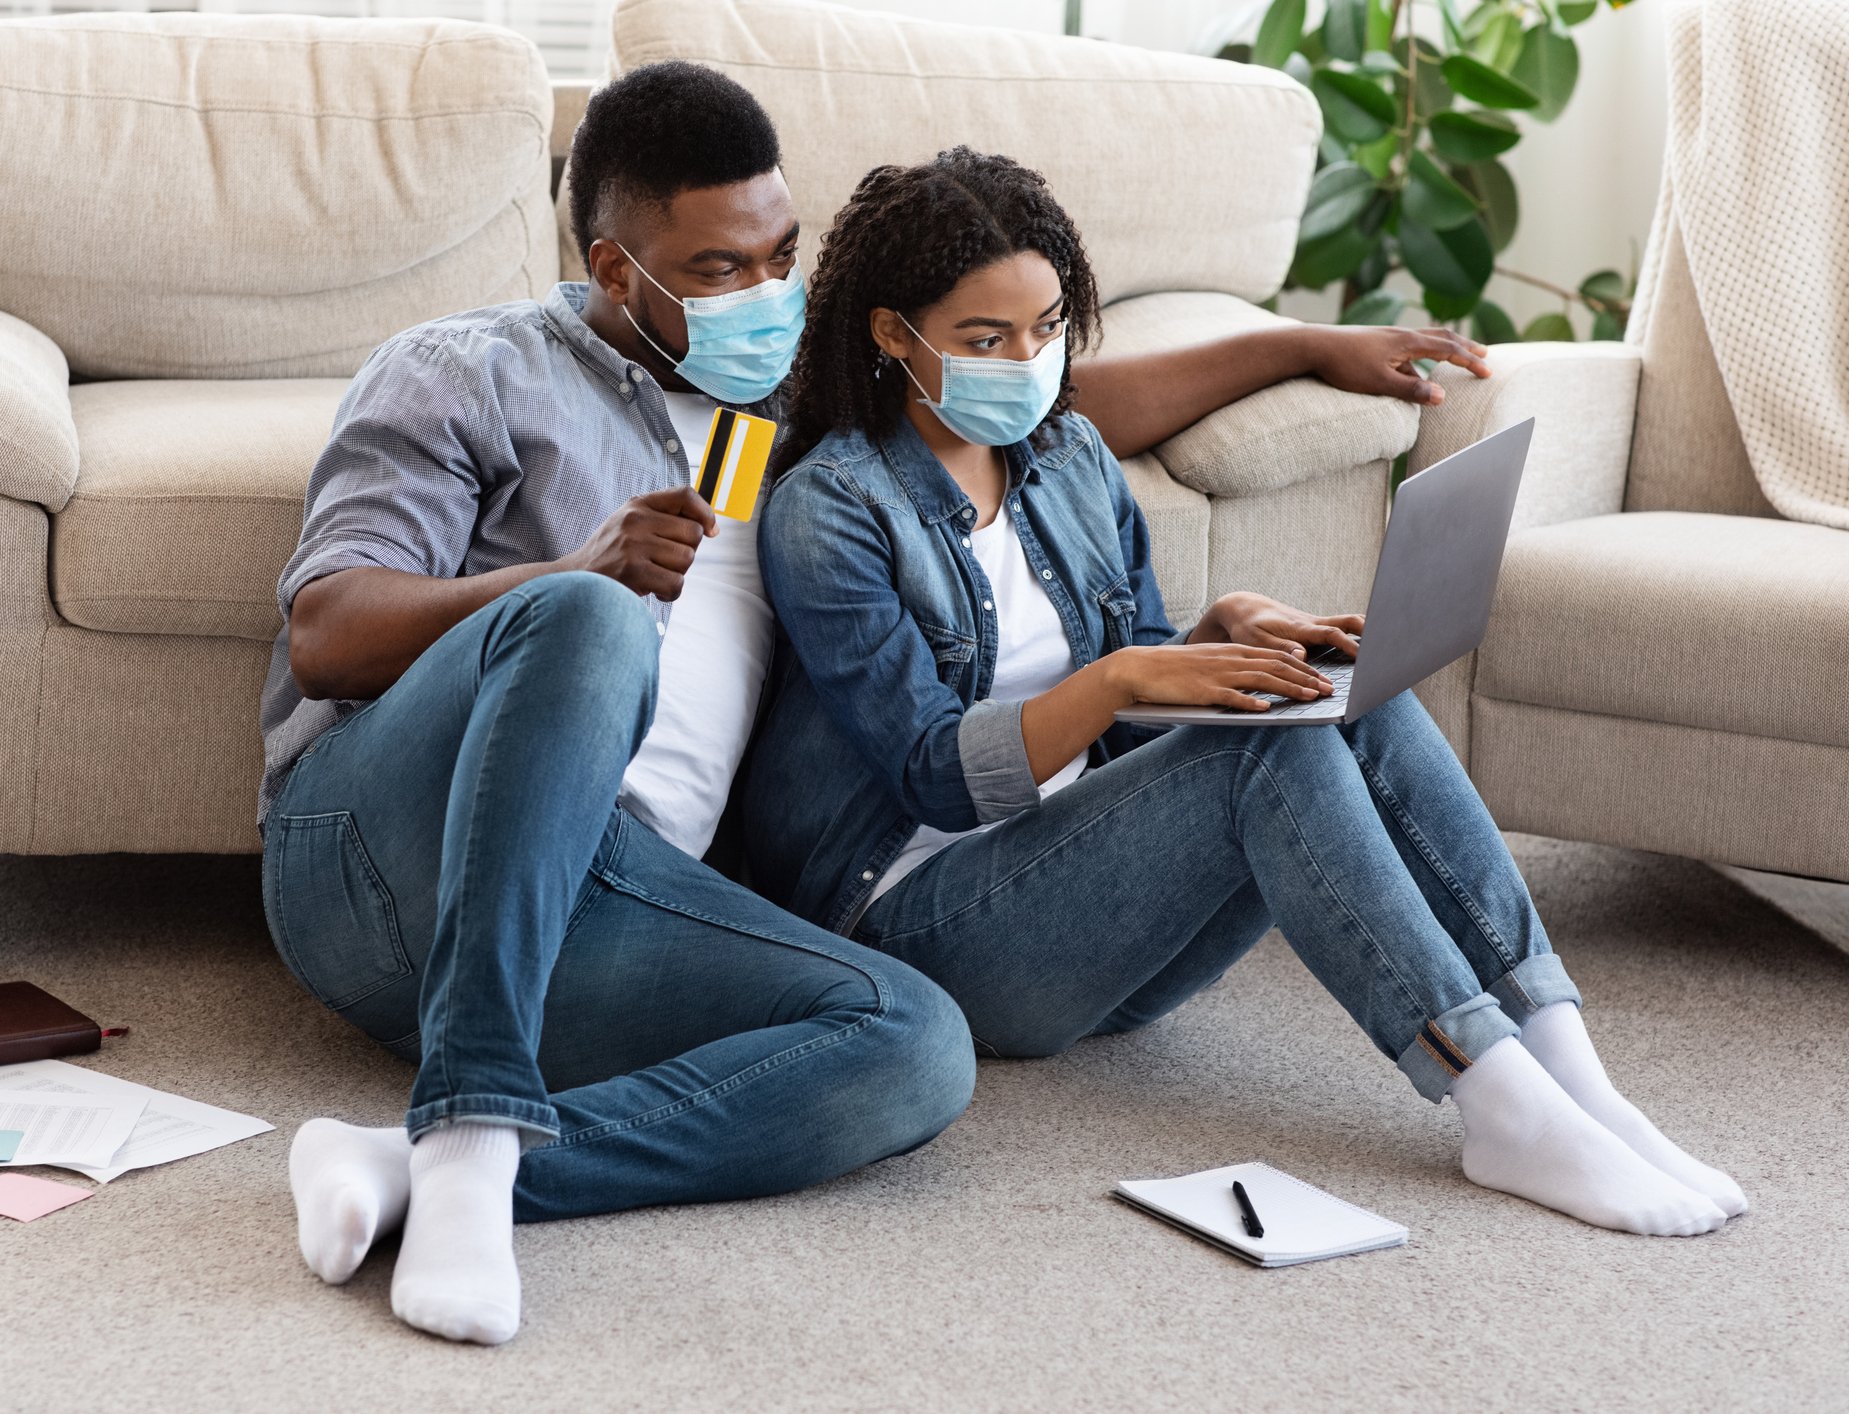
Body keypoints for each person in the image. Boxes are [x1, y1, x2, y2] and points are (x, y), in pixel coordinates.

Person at [261, 62, 1507, 1346]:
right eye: (718, 270)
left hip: (612, 887)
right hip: (384, 861)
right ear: (616, 269)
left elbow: (1045, 410)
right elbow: (327, 631)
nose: (765, 294)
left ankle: (416, 1173)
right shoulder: (466, 370)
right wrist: (570, 571)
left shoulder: (795, 386)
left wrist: (1302, 343)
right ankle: (467, 1120)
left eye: (782, 255)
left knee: (914, 1041)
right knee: (586, 619)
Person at [744, 146, 1748, 1240]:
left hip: (1100, 939)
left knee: (1338, 699)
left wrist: (1209, 639)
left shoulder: (1067, 453)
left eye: (1045, 328)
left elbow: (1133, 671)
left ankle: (1566, 1067)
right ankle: (1495, 1099)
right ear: (896, 335)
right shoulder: (830, 509)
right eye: (986, 340)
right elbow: (933, 773)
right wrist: (1123, 674)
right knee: (1265, 754)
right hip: (928, 931)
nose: (1027, 362)